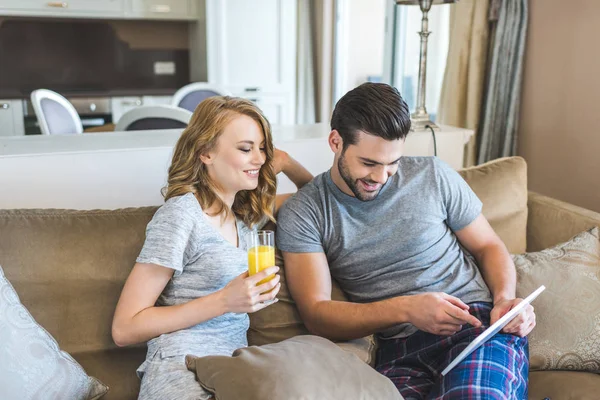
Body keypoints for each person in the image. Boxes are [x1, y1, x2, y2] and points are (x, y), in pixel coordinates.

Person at [276, 82, 536, 399]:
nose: (381, 177)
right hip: (399, 352)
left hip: (475, 327)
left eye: (393, 163)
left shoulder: (434, 176)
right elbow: (317, 314)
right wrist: (406, 309)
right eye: (369, 163)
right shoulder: (305, 213)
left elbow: (488, 246)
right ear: (335, 142)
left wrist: (505, 299)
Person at [111, 96, 313, 400]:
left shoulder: (244, 219)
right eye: (245, 149)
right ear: (206, 152)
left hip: (234, 369)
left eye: (262, 148)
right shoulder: (181, 215)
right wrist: (223, 301)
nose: (258, 158)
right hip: (183, 369)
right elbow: (125, 329)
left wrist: (284, 160)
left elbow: (314, 199)